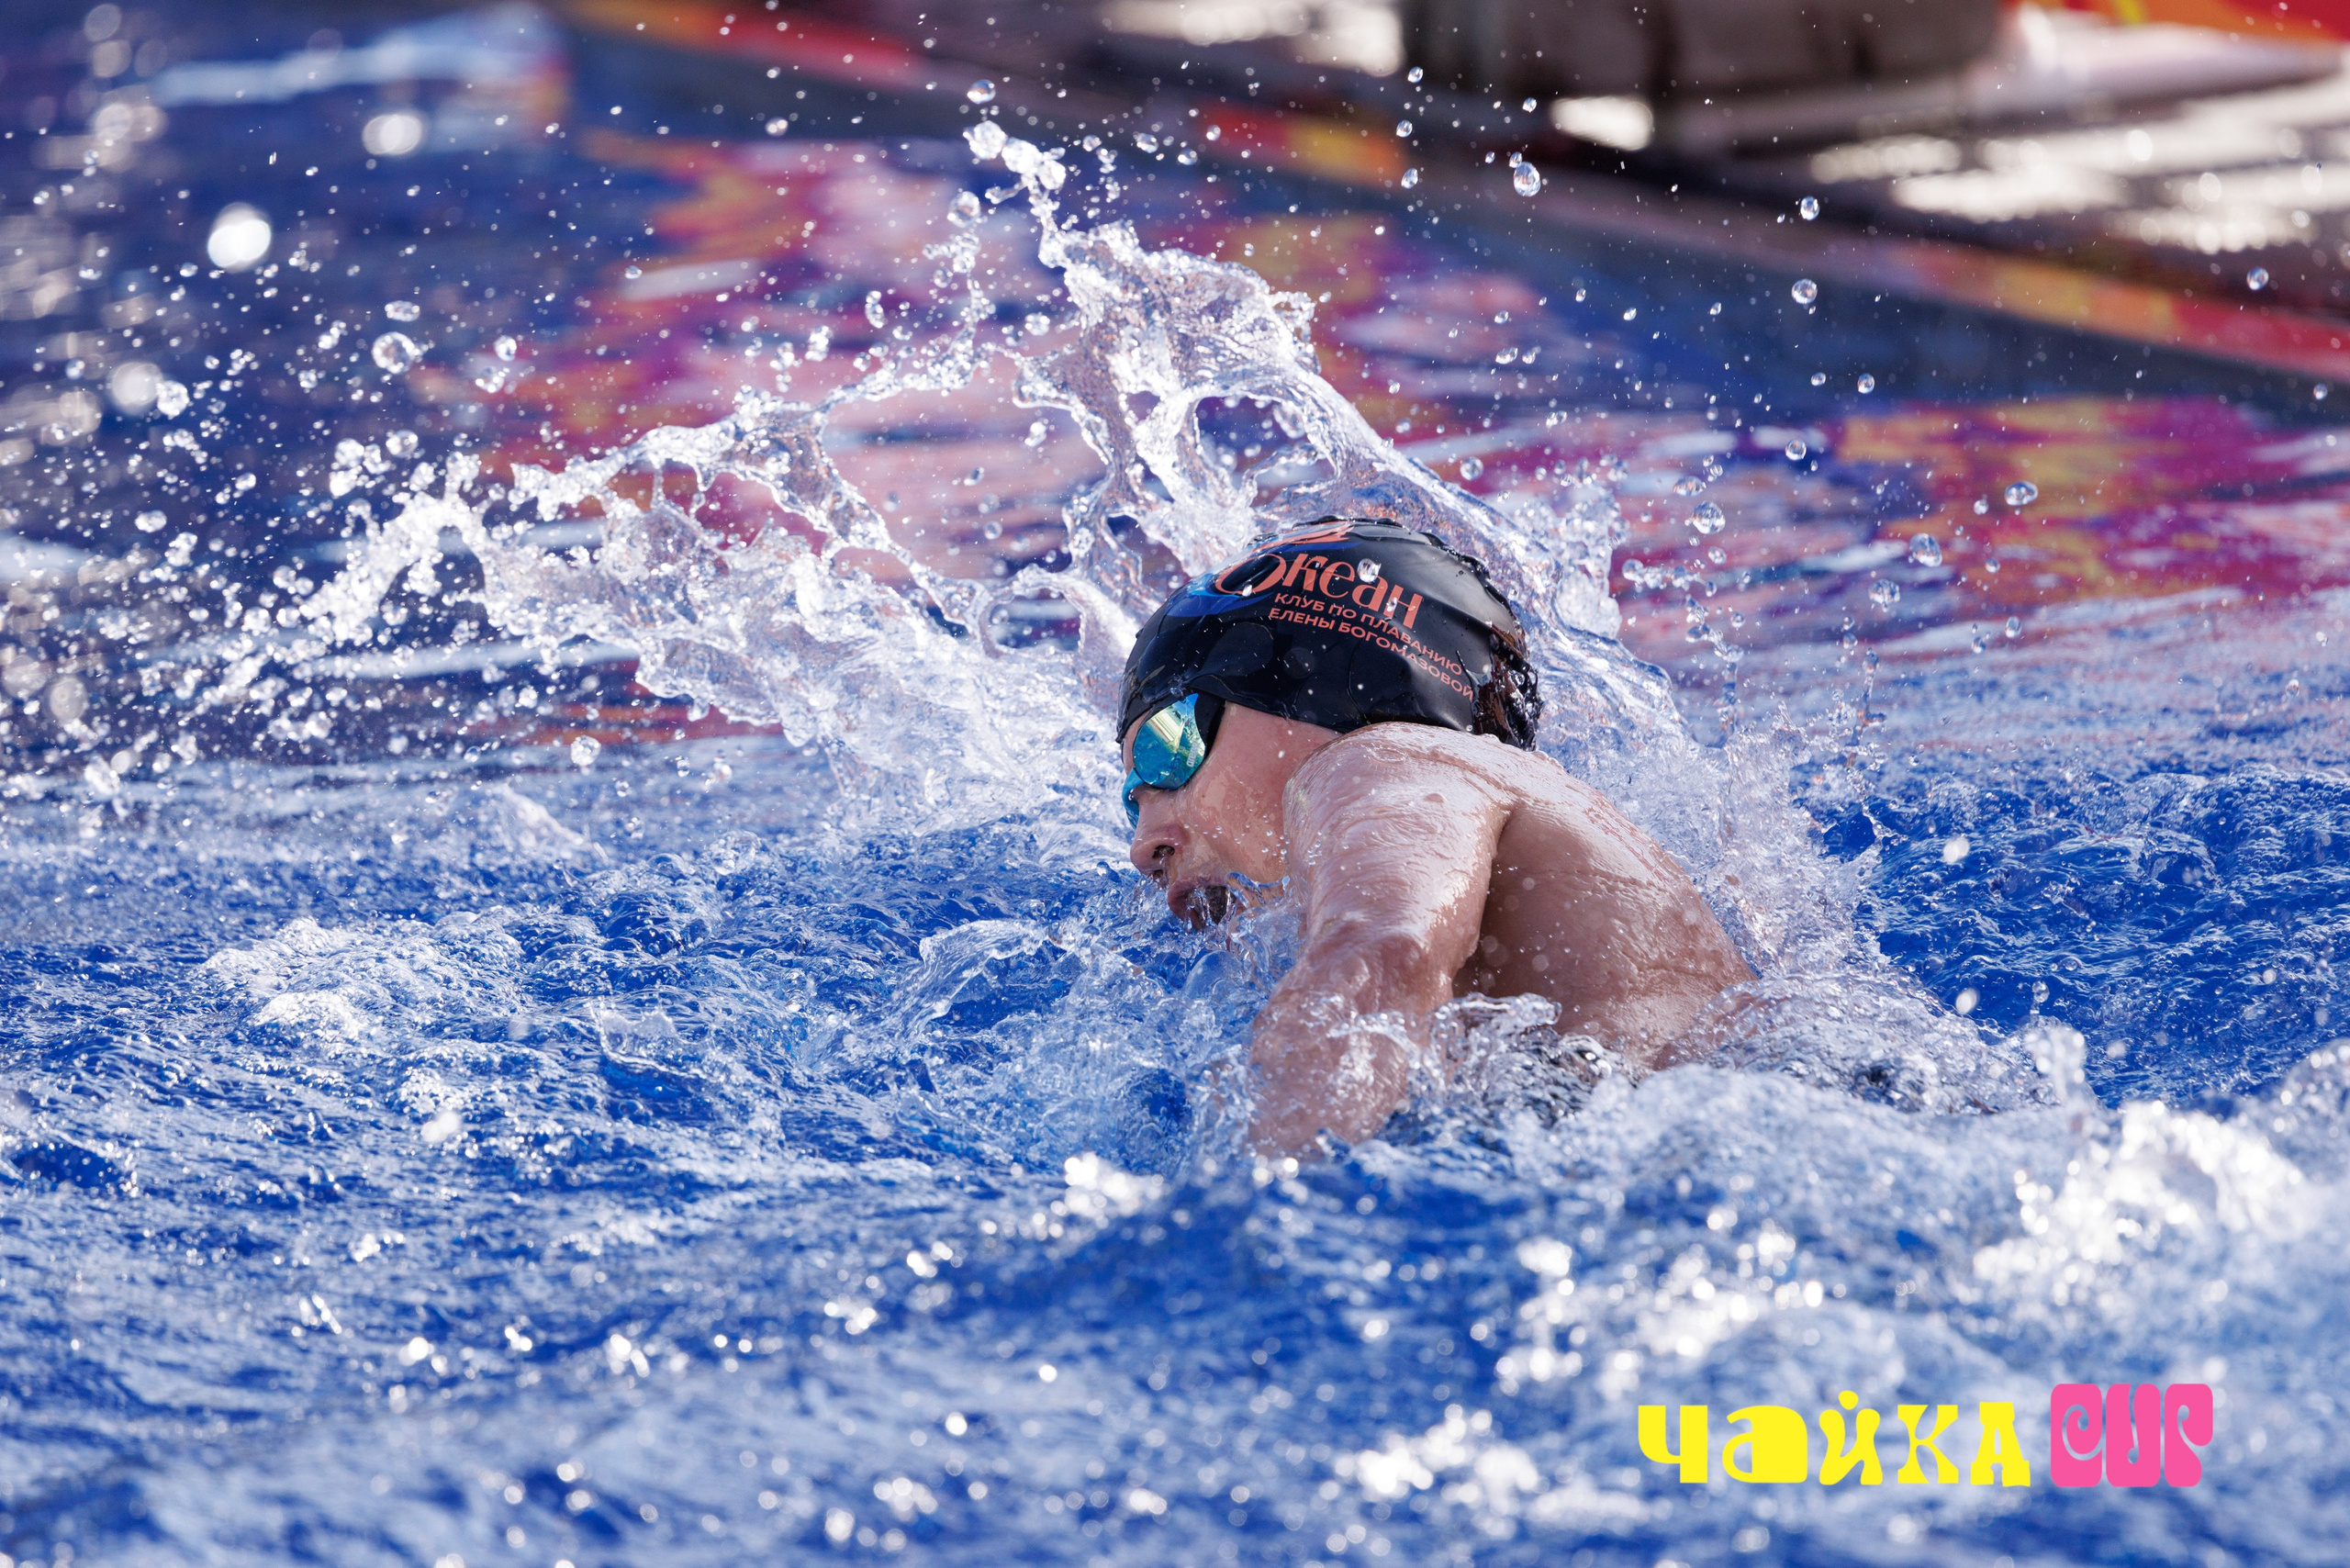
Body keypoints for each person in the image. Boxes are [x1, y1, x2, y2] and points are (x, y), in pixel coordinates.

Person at [1119, 518, 1751, 1156]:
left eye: (1167, 750)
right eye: (1130, 803)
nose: (1142, 845)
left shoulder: (1386, 759)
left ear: (1314, 683)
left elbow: (1389, 950)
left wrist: (1243, 1214)